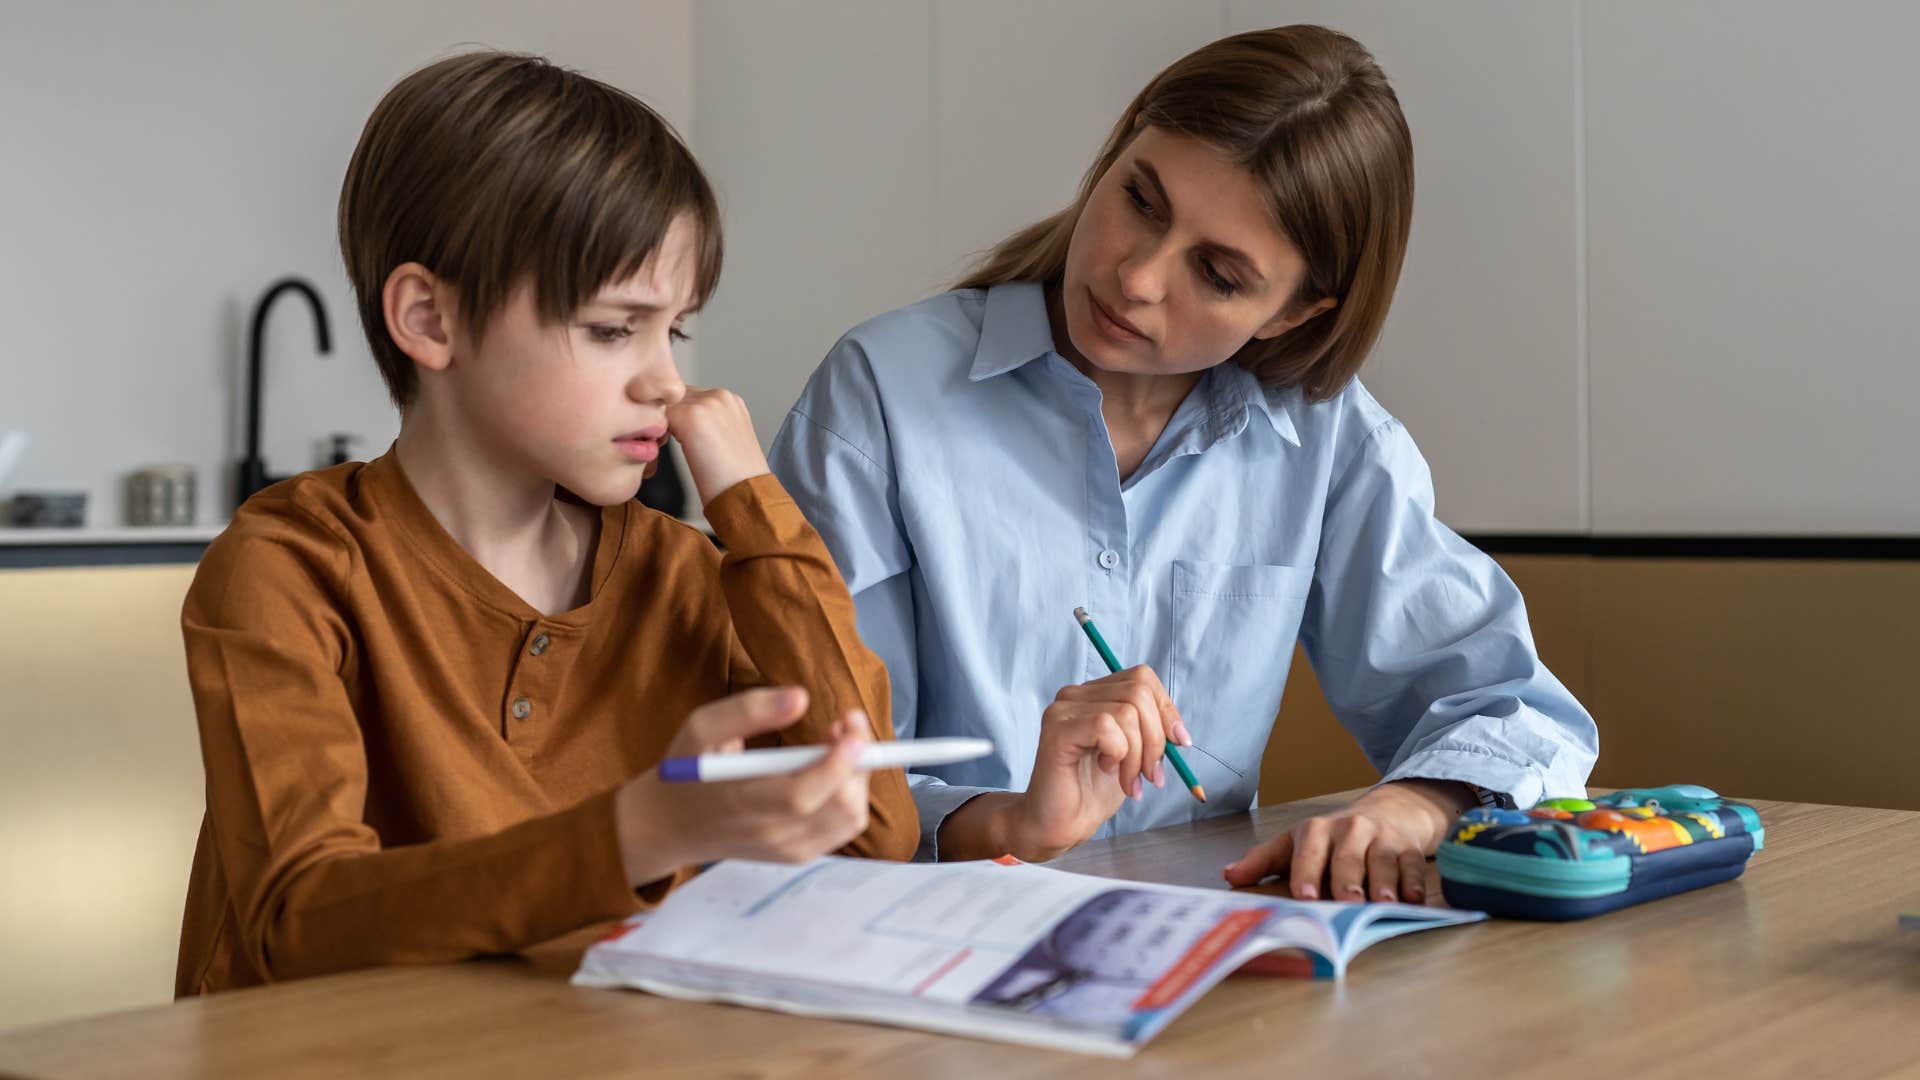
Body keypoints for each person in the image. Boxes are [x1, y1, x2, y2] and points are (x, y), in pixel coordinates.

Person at [769, 25, 1595, 904]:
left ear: (1293, 315)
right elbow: (819, 774)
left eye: (1218, 273)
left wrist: (1410, 810)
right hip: (918, 951)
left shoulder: (1325, 440)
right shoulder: (880, 396)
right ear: (1115, 153)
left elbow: (1518, 712)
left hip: (1205, 969)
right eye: (1143, 202)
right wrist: (1010, 826)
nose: (1137, 278)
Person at [176, 51, 915, 996]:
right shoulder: (289, 565)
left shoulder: (683, 571)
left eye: (674, 330)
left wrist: (755, 510)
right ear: (430, 319)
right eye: (614, 330)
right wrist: (641, 831)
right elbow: (297, 920)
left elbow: (875, 835)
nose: (667, 381)